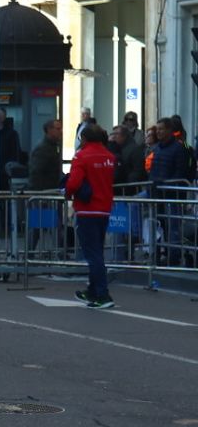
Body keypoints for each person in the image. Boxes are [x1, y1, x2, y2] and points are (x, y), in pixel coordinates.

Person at [65, 124, 116, 309]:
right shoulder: (109, 156)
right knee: (97, 251)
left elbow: (74, 182)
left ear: (84, 139)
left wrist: (67, 192)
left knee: (93, 254)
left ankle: (103, 294)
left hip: (87, 208)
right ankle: (93, 290)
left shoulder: (81, 156)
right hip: (104, 207)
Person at [28, 119, 63, 193]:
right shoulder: (42, 149)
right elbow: (35, 173)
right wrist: (40, 194)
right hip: (44, 192)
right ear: (49, 130)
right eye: (58, 129)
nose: (61, 132)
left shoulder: (53, 147)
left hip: (51, 190)